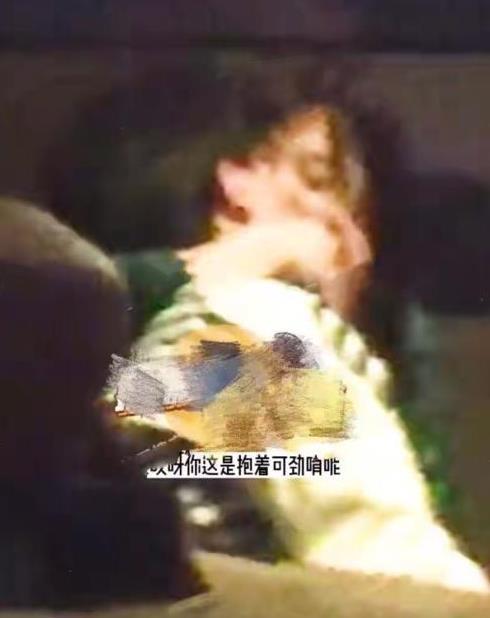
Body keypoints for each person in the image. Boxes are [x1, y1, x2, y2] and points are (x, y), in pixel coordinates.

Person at [115, 105, 488, 593]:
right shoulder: (249, 315)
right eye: (319, 182)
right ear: (232, 186)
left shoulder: (146, 358)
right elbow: (382, 557)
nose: (347, 232)